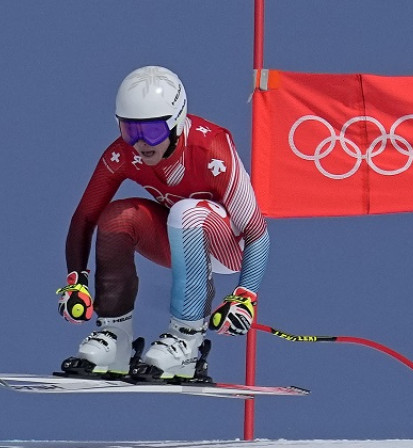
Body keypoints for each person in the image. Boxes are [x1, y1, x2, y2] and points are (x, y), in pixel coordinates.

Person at [56, 65, 269, 382]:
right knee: (117, 216)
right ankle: (116, 340)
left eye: (152, 131)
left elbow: (256, 232)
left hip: (230, 246)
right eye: (131, 131)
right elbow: (84, 218)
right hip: (181, 241)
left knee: (186, 211)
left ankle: (187, 341)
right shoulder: (123, 155)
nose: (141, 143)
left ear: (177, 122)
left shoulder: (211, 148)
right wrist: (76, 281)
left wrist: (245, 296)